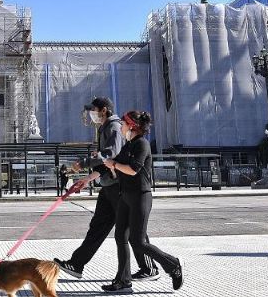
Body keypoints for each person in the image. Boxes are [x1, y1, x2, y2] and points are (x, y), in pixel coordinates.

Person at [54, 97, 157, 283]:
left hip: (118, 187)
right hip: (108, 186)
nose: (91, 114)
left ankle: (149, 267)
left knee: (133, 230)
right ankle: (77, 264)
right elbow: (106, 164)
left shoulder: (114, 127)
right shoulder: (105, 128)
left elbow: (111, 155)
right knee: (98, 227)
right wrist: (87, 179)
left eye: (93, 110)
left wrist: (84, 163)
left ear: (104, 110)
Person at [101, 111, 184, 292]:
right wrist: (108, 164)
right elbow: (118, 170)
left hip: (140, 196)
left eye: (123, 124)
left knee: (138, 241)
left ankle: (172, 265)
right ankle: (123, 280)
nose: (121, 127)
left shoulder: (142, 144)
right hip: (125, 196)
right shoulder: (127, 145)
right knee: (120, 237)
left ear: (131, 126)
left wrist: (114, 164)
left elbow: (133, 170)